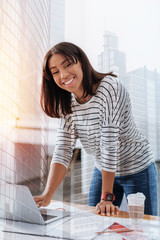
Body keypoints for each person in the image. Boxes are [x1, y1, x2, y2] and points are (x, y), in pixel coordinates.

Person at [34, 41, 158, 216]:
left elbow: (109, 144)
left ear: (81, 61)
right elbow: (63, 150)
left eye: (67, 64)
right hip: (103, 168)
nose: (63, 74)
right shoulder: (67, 104)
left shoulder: (109, 88)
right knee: (96, 222)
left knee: (145, 225)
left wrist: (107, 198)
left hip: (136, 167)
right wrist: (47, 195)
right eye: (55, 72)